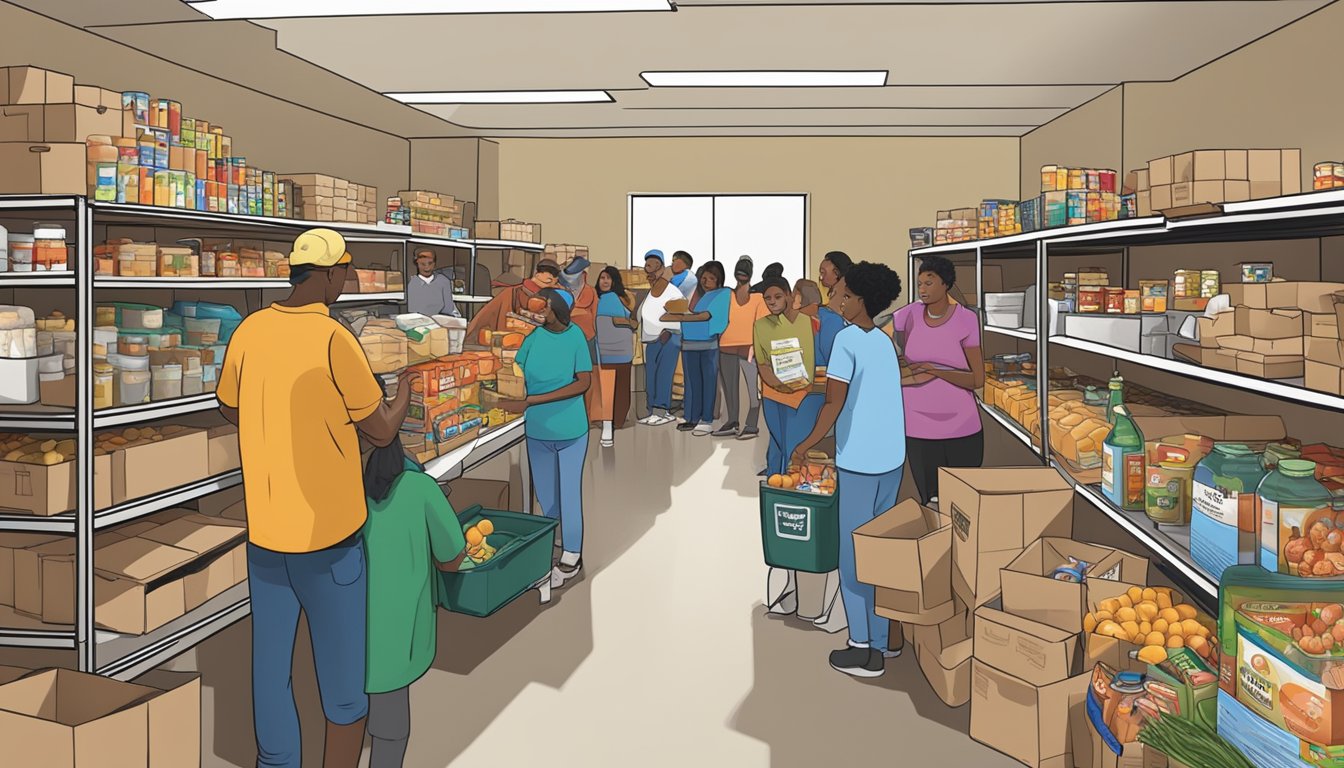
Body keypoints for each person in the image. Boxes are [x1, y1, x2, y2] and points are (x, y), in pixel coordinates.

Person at [217, 228, 415, 768]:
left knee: (271, 671)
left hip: (266, 535)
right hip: (329, 538)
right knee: (343, 683)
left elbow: (231, 406)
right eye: (344, 271)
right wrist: (404, 393)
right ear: (329, 275)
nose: (346, 280)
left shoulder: (250, 330)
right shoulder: (334, 338)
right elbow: (378, 429)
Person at [792, 261, 906, 679]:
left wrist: (805, 444)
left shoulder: (845, 341)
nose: (837, 300)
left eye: (843, 294)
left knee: (853, 554)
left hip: (859, 460)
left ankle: (863, 648)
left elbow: (833, 404)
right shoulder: (883, 342)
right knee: (879, 549)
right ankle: (884, 639)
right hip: (891, 458)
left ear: (859, 300)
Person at [362, 429, 467, 768]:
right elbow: (452, 556)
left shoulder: (346, 495)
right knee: (391, 732)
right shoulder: (420, 488)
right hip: (397, 634)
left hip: (345, 629)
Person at [500, 288, 592, 588]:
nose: (537, 312)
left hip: (570, 429)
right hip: (537, 430)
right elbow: (516, 369)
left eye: (543, 307)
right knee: (547, 497)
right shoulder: (533, 337)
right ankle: (550, 545)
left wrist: (534, 400)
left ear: (559, 310)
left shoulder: (575, 336)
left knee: (568, 493)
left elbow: (583, 383)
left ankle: (572, 555)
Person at [891, 254, 985, 506]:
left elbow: (977, 379)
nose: (922, 289)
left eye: (929, 283)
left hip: (961, 428)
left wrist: (936, 370)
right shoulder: (908, 315)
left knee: (963, 503)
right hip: (918, 428)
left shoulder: (966, 319)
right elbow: (887, 343)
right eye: (920, 284)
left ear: (946, 284)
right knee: (929, 500)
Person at [755, 277, 822, 477]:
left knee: (793, 446)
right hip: (773, 393)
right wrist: (778, 384)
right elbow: (762, 363)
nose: (772, 302)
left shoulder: (810, 323)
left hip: (802, 394)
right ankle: (774, 483)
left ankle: (791, 487)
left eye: (777, 296)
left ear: (789, 296)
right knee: (777, 442)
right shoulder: (760, 326)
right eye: (767, 298)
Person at [668, 261, 730, 436]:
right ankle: (692, 417)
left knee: (708, 383)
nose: (706, 281)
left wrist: (680, 317)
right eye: (704, 278)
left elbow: (705, 316)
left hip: (708, 345)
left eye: (711, 278)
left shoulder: (722, 294)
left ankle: (706, 419)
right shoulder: (697, 296)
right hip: (688, 344)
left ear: (719, 280)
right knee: (692, 384)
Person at [713, 256, 767, 439]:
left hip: (748, 351)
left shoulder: (758, 298)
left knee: (753, 390)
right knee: (730, 389)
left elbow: (762, 326)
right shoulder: (726, 295)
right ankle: (733, 421)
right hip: (726, 349)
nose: (742, 270)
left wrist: (755, 348)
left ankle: (751, 424)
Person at [466, 258, 561, 339]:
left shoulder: (556, 293)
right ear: (537, 275)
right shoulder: (513, 292)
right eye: (548, 281)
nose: (550, 285)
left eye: (553, 282)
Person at [595, 266, 636, 446]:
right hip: (607, 351)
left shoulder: (611, 298)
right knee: (617, 387)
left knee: (615, 387)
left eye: (608, 278)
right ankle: (614, 420)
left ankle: (615, 420)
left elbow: (619, 320)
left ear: (614, 281)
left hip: (617, 350)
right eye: (602, 278)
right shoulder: (602, 299)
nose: (604, 281)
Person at [638, 266, 682, 426]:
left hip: (668, 339)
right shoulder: (649, 295)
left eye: (654, 270)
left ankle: (660, 410)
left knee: (664, 374)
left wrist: (668, 331)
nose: (650, 275)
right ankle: (654, 411)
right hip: (652, 340)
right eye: (647, 271)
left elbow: (679, 312)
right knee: (651, 375)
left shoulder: (673, 292)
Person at [406, 248, 461, 318]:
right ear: (417, 264)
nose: (427, 268)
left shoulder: (443, 281)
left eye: (430, 263)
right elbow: (411, 310)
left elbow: (449, 310)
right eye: (423, 264)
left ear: (434, 264)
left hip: (440, 322)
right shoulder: (411, 283)